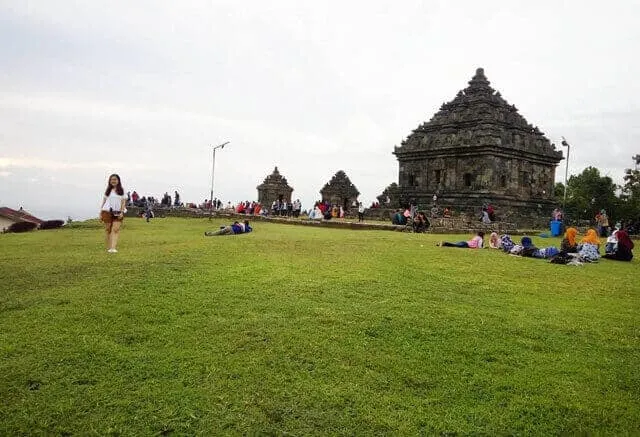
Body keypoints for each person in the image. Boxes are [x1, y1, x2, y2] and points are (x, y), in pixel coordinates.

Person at [100, 174, 127, 253]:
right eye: (112, 179)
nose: (113, 181)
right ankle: (109, 247)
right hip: (107, 211)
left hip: (118, 212)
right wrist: (100, 212)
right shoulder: (108, 190)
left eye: (115, 179)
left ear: (118, 181)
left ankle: (113, 248)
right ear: (109, 181)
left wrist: (122, 212)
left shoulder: (122, 190)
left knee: (115, 229)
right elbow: (104, 201)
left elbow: (123, 202)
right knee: (108, 229)